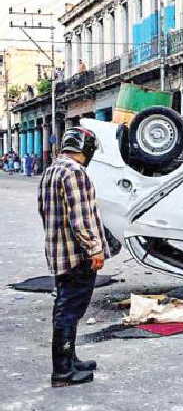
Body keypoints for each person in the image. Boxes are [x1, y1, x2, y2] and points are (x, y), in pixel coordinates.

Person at [38, 127, 110, 387]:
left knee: (66, 306)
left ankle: (70, 359)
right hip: (77, 256)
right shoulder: (75, 172)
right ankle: (63, 372)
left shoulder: (52, 170)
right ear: (86, 148)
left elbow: (43, 210)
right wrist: (95, 249)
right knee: (69, 310)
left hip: (58, 252)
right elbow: (80, 219)